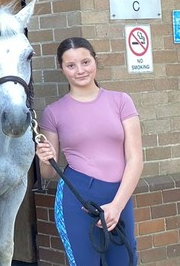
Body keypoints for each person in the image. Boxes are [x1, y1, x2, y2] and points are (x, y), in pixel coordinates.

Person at [36, 37, 143, 265]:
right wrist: (45, 160)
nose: (80, 70)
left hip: (119, 196)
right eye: (71, 65)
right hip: (78, 197)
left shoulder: (121, 101)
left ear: (95, 60)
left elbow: (135, 159)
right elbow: (48, 173)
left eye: (85, 62)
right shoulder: (53, 112)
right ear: (62, 68)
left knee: (125, 260)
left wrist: (117, 205)